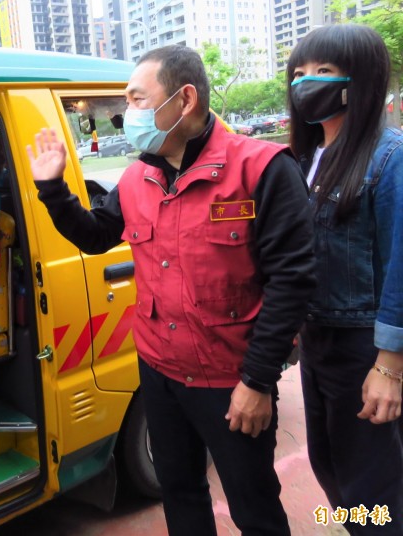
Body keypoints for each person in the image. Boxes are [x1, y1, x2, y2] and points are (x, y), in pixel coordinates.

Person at [26, 45, 316, 536]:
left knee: (254, 507)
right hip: (159, 372)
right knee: (180, 493)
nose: (128, 112)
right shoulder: (139, 176)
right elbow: (98, 235)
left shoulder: (262, 169)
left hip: (232, 380)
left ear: (184, 99)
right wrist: (53, 190)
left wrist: (258, 382)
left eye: (138, 99)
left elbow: (293, 281)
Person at [286, 24, 403, 533]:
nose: (306, 83)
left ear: (360, 81)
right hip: (318, 341)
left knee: (371, 484)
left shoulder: (389, 157)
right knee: (329, 466)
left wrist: (390, 365)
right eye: (299, 73)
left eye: (323, 72)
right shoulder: (305, 158)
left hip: (363, 346)